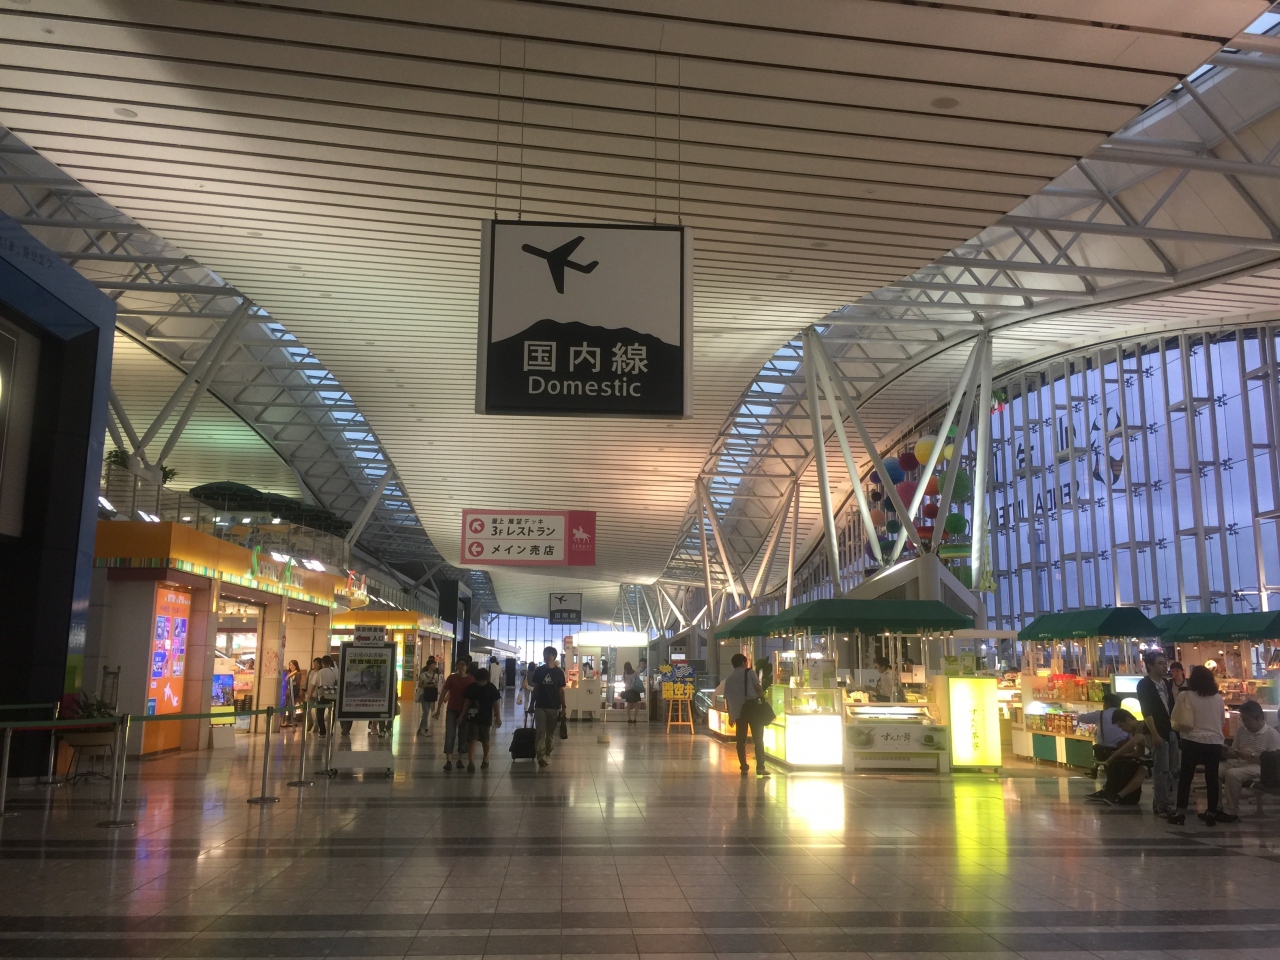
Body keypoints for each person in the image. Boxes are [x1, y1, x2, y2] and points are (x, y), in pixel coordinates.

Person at [1169, 665, 1226, 825]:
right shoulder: (1218, 698)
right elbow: (1221, 721)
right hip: (1214, 742)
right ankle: (1211, 813)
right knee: (1212, 778)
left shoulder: (1185, 695)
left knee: (1186, 777)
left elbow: (1176, 717)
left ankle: (1180, 813)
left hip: (1191, 740)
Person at [1216, 699, 1280, 823]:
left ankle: (1231, 811)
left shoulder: (1272, 735)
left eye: (1248, 720)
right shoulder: (1241, 730)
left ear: (1259, 718)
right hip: (1240, 762)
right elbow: (1235, 751)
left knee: (1233, 774)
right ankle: (1216, 807)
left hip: (1259, 766)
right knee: (1216, 770)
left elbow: (1273, 762)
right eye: (1243, 719)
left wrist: (1251, 755)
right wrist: (1227, 751)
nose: (1245, 723)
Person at [1137, 651, 1175, 816]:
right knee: (1161, 770)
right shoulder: (1144, 684)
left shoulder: (1166, 683)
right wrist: (1154, 734)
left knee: (1173, 768)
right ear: (1150, 666)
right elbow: (1147, 711)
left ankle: (1169, 801)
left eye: (1165, 663)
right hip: (1156, 731)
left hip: (1169, 729)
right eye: (1160, 663)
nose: (1164, 666)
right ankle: (1160, 805)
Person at [1085, 709, 1146, 805]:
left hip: (1161, 755)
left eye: (1122, 726)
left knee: (1142, 770)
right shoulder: (1135, 731)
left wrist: (1114, 756)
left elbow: (1132, 743)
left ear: (1128, 720)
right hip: (1153, 755)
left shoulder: (1142, 726)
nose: (1123, 729)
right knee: (1124, 763)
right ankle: (1110, 790)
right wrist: (1124, 755)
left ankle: (1119, 795)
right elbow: (1139, 752)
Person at [725, 653, 769, 778]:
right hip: (753, 709)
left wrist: (731, 716)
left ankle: (744, 767)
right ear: (743, 663)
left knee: (741, 741)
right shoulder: (750, 673)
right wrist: (763, 699)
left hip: (739, 713)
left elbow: (728, 699)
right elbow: (758, 688)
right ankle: (760, 767)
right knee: (758, 739)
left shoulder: (729, 679)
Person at [529, 646, 567, 768]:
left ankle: (547, 754)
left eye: (549, 654)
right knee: (540, 732)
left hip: (554, 706)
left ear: (554, 657)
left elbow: (561, 690)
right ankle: (540, 756)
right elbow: (536, 688)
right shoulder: (539, 671)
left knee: (550, 733)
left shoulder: (559, 672)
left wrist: (564, 707)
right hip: (540, 705)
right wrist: (531, 704)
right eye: (545, 654)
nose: (546, 656)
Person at [435, 659, 475, 771]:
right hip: (452, 710)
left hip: (465, 711)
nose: (460, 667)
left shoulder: (471, 679)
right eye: (458, 664)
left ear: (467, 667)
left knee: (463, 735)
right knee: (450, 734)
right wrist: (438, 709)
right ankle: (448, 761)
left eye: (463, 664)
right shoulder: (452, 678)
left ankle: (460, 759)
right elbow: (443, 693)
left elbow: (472, 696)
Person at [463, 667, 502, 771]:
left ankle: (485, 758)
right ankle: (471, 762)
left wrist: (498, 717)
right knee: (472, 739)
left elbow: (495, 704)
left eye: (483, 681)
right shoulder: (472, 687)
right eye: (479, 681)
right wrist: (462, 715)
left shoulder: (491, 688)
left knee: (485, 740)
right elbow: (466, 702)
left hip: (486, 717)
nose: (481, 683)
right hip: (472, 717)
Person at [1079, 692, 1130, 757]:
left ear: (1108, 703)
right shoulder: (1126, 714)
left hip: (1104, 752)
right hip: (1123, 750)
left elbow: (1081, 718)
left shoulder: (1100, 714)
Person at [309, 655, 338, 737]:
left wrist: (310, 694)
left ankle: (322, 732)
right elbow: (337, 682)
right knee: (332, 713)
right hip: (332, 694)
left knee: (320, 713)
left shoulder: (319, 672)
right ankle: (330, 730)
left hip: (322, 695)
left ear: (322, 663)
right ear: (330, 662)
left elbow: (314, 685)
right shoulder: (334, 671)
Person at [415, 656, 440, 736]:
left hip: (431, 695)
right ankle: (423, 728)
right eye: (433, 664)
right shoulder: (423, 675)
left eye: (435, 664)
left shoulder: (435, 675)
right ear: (429, 665)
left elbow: (437, 684)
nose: (434, 666)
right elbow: (419, 684)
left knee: (427, 711)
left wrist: (434, 685)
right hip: (423, 694)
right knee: (425, 711)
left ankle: (423, 728)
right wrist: (428, 686)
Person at [282, 660, 302, 727]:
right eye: (290, 665)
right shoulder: (289, 673)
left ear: (296, 666)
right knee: (286, 705)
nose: (291, 666)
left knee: (291, 705)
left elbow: (297, 683)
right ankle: (287, 720)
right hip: (288, 690)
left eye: (292, 665)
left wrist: (291, 680)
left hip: (294, 691)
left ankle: (289, 721)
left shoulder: (297, 673)